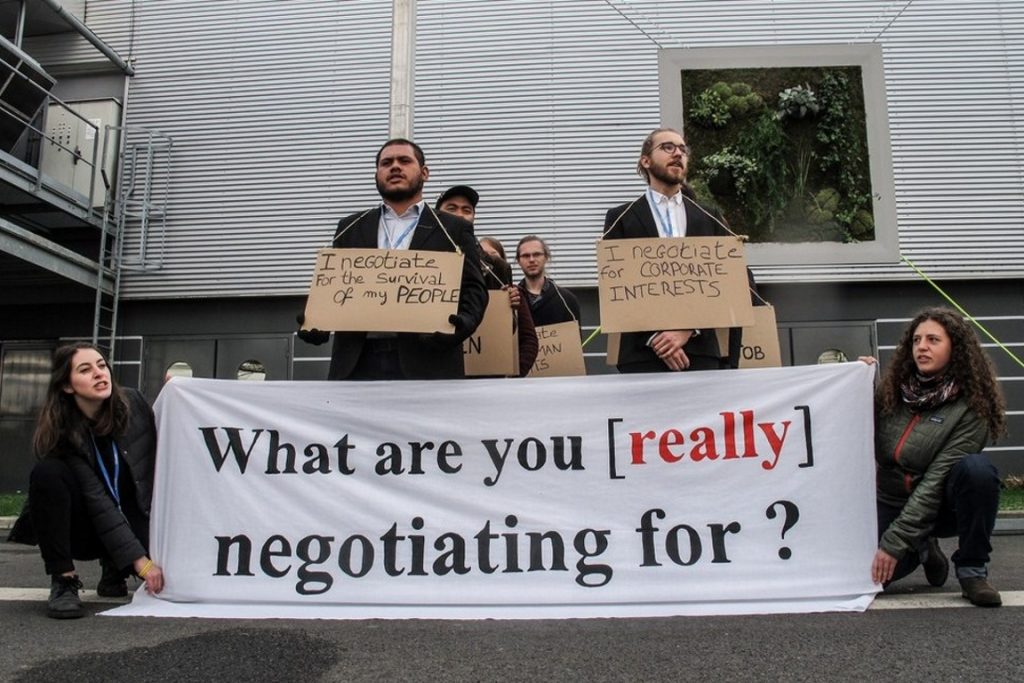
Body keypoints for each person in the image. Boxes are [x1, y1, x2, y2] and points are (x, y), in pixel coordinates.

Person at [298, 139, 487, 380]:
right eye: (386, 163)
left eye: (404, 161)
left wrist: (462, 325)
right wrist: (317, 322)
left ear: (425, 173)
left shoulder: (453, 228)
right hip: (356, 365)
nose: (395, 166)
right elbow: (332, 287)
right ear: (376, 175)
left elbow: (474, 289)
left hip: (429, 362)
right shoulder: (350, 226)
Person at [862, 308, 1006, 607]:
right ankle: (923, 548)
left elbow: (936, 481)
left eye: (933, 340)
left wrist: (893, 544)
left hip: (941, 504)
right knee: (863, 577)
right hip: (891, 500)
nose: (922, 347)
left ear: (955, 347)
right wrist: (856, 381)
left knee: (977, 471)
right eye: (916, 340)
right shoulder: (891, 391)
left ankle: (972, 570)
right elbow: (851, 426)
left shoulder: (972, 406)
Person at [20, 343, 165, 619]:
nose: (99, 373)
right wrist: (140, 562)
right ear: (67, 386)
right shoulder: (64, 433)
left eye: (101, 365)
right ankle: (63, 580)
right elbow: (98, 500)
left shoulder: (133, 403)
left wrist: (177, 393)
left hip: (137, 516)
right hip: (87, 528)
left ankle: (115, 564)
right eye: (85, 370)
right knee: (47, 473)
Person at [602, 127, 742, 373]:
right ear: (645, 161)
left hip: (700, 352)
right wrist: (656, 337)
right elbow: (616, 288)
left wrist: (687, 330)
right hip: (642, 354)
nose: (678, 153)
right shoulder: (620, 218)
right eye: (668, 147)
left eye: (682, 149)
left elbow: (727, 284)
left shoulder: (710, 217)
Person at [515, 234, 582, 331]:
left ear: (546, 257)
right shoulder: (513, 299)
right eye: (526, 256)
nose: (531, 259)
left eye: (537, 254)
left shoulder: (567, 300)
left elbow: (574, 339)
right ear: (518, 261)